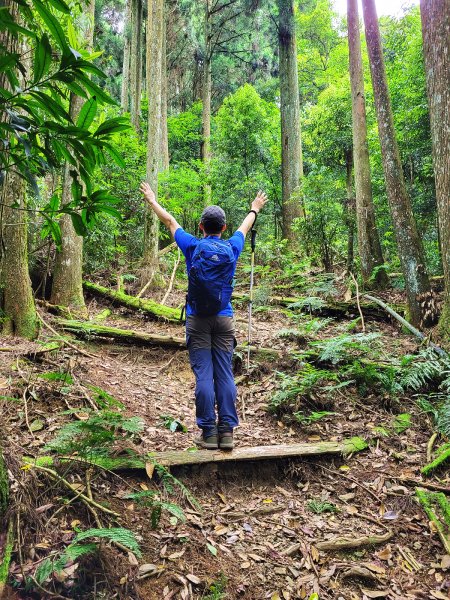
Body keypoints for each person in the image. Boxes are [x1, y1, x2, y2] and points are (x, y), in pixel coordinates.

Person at [140, 182, 268, 450]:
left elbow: (170, 221)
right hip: (224, 319)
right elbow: (244, 227)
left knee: (204, 376)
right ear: (223, 228)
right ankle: (227, 433)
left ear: (201, 227)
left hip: (197, 319)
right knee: (224, 374)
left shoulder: (192, 246)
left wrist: (152, 200)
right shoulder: (232, 247)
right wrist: (254, 209)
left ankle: (209, 433)